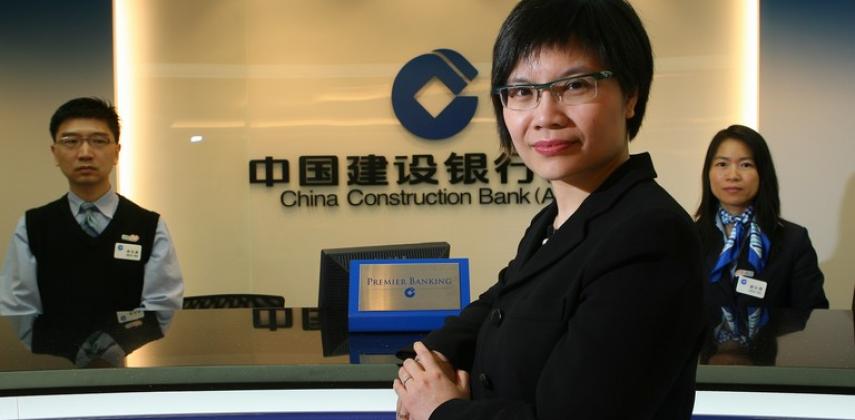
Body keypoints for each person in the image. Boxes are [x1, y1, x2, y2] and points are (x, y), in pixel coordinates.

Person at [393, 1, 705, 419]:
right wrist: (430, 359)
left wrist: (439, 410)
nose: (545, 116)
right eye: (522, 91)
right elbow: (499, 304)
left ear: (630, 95)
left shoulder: (651, 234)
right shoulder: (555, 219)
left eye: (575, 85)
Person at [0, 97, 183, 328]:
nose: (85, 153)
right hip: (53, 350)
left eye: (98, 141)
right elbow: (18, 310)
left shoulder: (149, 225)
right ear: (55, 153)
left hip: (133, 349)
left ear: (116, 152)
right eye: (71, 141)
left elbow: (162, 307)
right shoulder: (32, 225)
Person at [695, 124, 829, 311]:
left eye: (746, 164)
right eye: (722, 164)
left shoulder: (794, 240)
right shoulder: (688, 238)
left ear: (763, 173)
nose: (733, 175)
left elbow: (813, 315)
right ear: (708, 173)